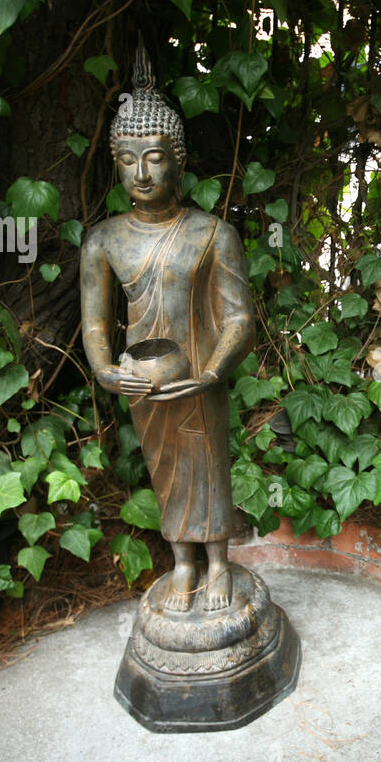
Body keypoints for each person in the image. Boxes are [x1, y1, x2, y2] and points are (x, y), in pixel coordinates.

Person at [80, 45, 253, 614]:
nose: (143, 172)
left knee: (208, 466)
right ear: (116, 162)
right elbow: (97, 320)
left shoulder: (212, 233)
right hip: (144, 379)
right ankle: (181, 561)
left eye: (155, 156)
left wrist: (210, 373)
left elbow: (238, 318)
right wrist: (107, 371)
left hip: (199, 377)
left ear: (178, 159)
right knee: (165, 470)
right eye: (129, 160)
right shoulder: (104, 240)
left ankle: (220, 561)